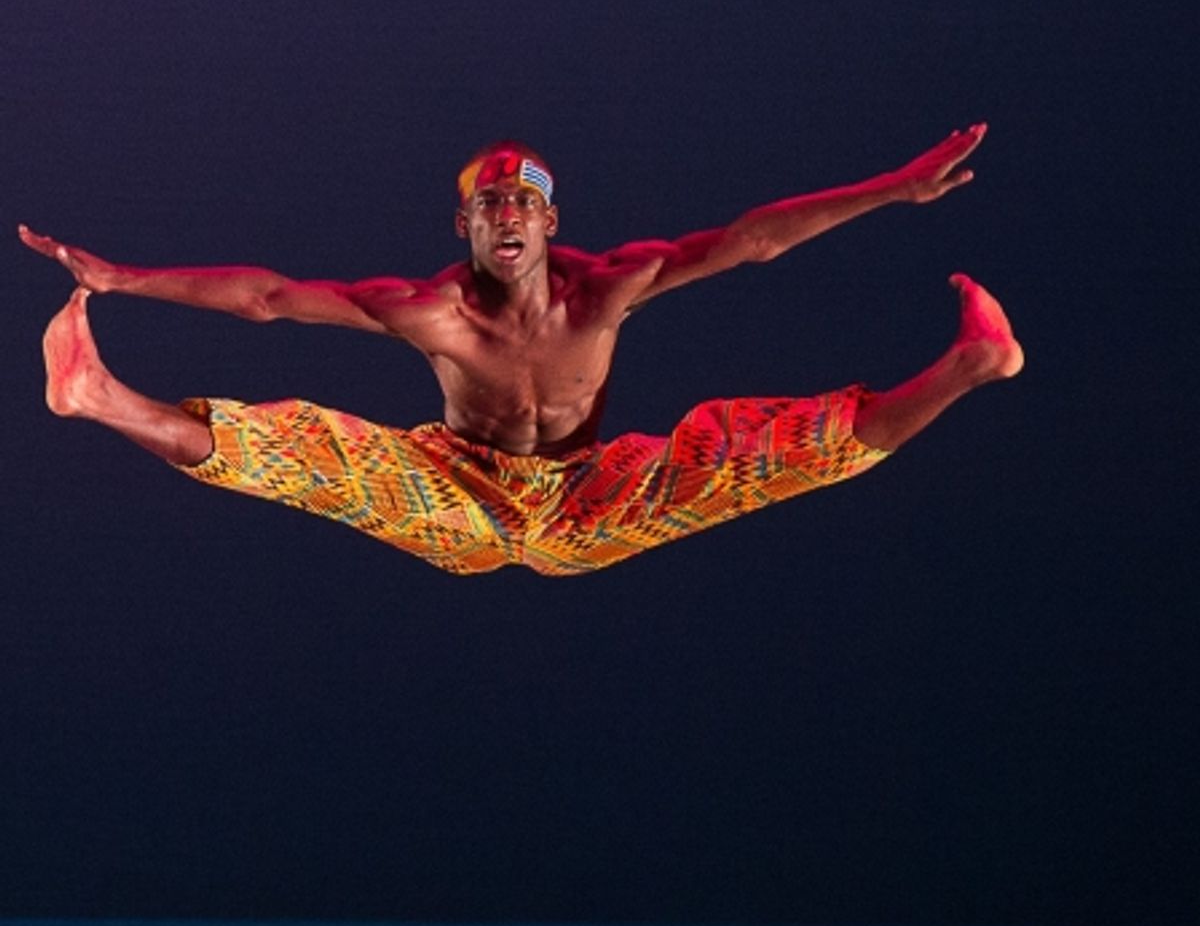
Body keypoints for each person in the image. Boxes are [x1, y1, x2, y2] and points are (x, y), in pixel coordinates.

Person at [20, 126, 1022, 576]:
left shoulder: (613, 284)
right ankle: (102, 396)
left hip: (591, 495)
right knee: (319, 454)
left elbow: (753, 240)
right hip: (455, 491)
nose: (507, 213)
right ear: (464, 223)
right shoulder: (429, 309)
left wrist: (895, 185)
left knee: (745, 456)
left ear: (551, 221)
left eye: (523, 201)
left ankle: (969, 366)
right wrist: (120, 277)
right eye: (489, 203)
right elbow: (270, 299)